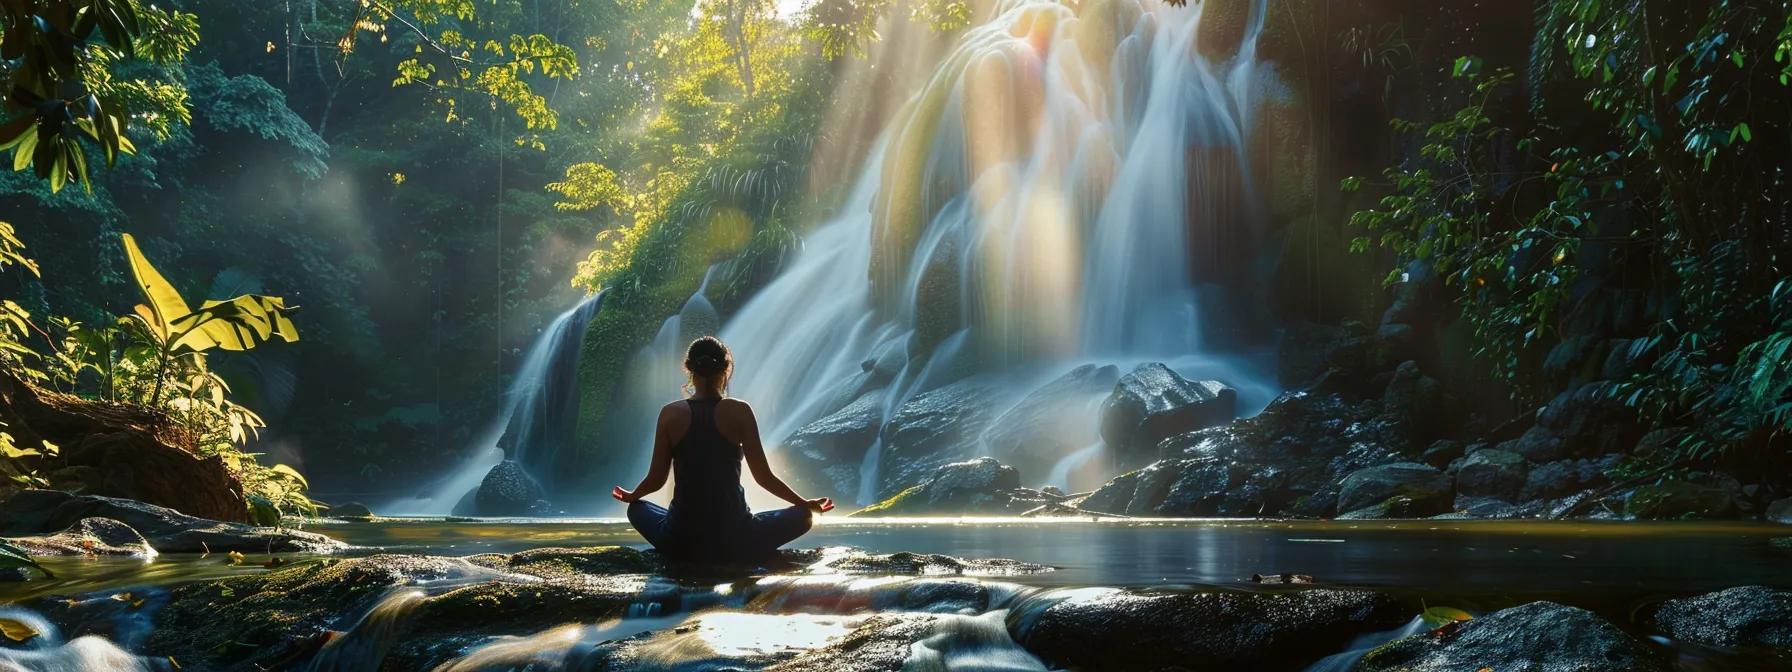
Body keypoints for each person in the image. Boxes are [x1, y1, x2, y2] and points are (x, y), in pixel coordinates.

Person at [613, 336, 834, 563]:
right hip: (737, 537)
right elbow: (764, 477)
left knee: (636, 509)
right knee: (804, 516)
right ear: (726, 368)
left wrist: (632, 496)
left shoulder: (670, 414)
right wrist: (804, 504)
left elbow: (656, 479)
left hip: (680, 538)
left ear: (688, 368)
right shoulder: (740, 411)